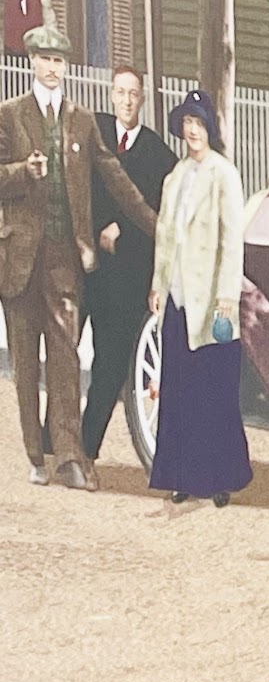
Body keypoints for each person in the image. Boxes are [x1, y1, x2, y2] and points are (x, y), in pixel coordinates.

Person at [0, 26, 156, 491]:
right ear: (32, 62)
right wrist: (21, 171)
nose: (52, 68)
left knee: (65, 358)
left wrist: (157, 225)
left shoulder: (81, 121)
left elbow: (116, 179)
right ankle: (35, 453)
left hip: (65, 258)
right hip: (19, 258)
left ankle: (69, 456)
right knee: (26, 362)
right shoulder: (9, 115)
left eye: (59, 61)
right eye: (45, 59)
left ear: (66, 67)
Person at [148, 89, 251, 507]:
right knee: (178, 390)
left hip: (209, 302)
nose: (192, 130)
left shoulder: (224, 174)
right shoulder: (175, 176)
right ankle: (181, 476)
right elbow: (164, 237)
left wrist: (226, 297)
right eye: (187, 123)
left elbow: (232, 241)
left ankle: (220, 479)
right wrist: (158, 285)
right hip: (177, 299)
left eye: (199, 122)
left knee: (213, 392)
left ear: (210, 128)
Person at [82, 67, 176, 468]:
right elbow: (79, 187)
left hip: (126, 277)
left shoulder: (157, 153)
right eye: (120, 92)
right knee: (64, 355)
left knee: (110, 365)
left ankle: (86, 448)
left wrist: (124, 227)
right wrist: (100, 224)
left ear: (142, 99)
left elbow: (162, 211)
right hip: (84, 265)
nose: (126, 100)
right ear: (111, 94)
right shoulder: (95, 132)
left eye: (133, 93)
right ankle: (55, 442)